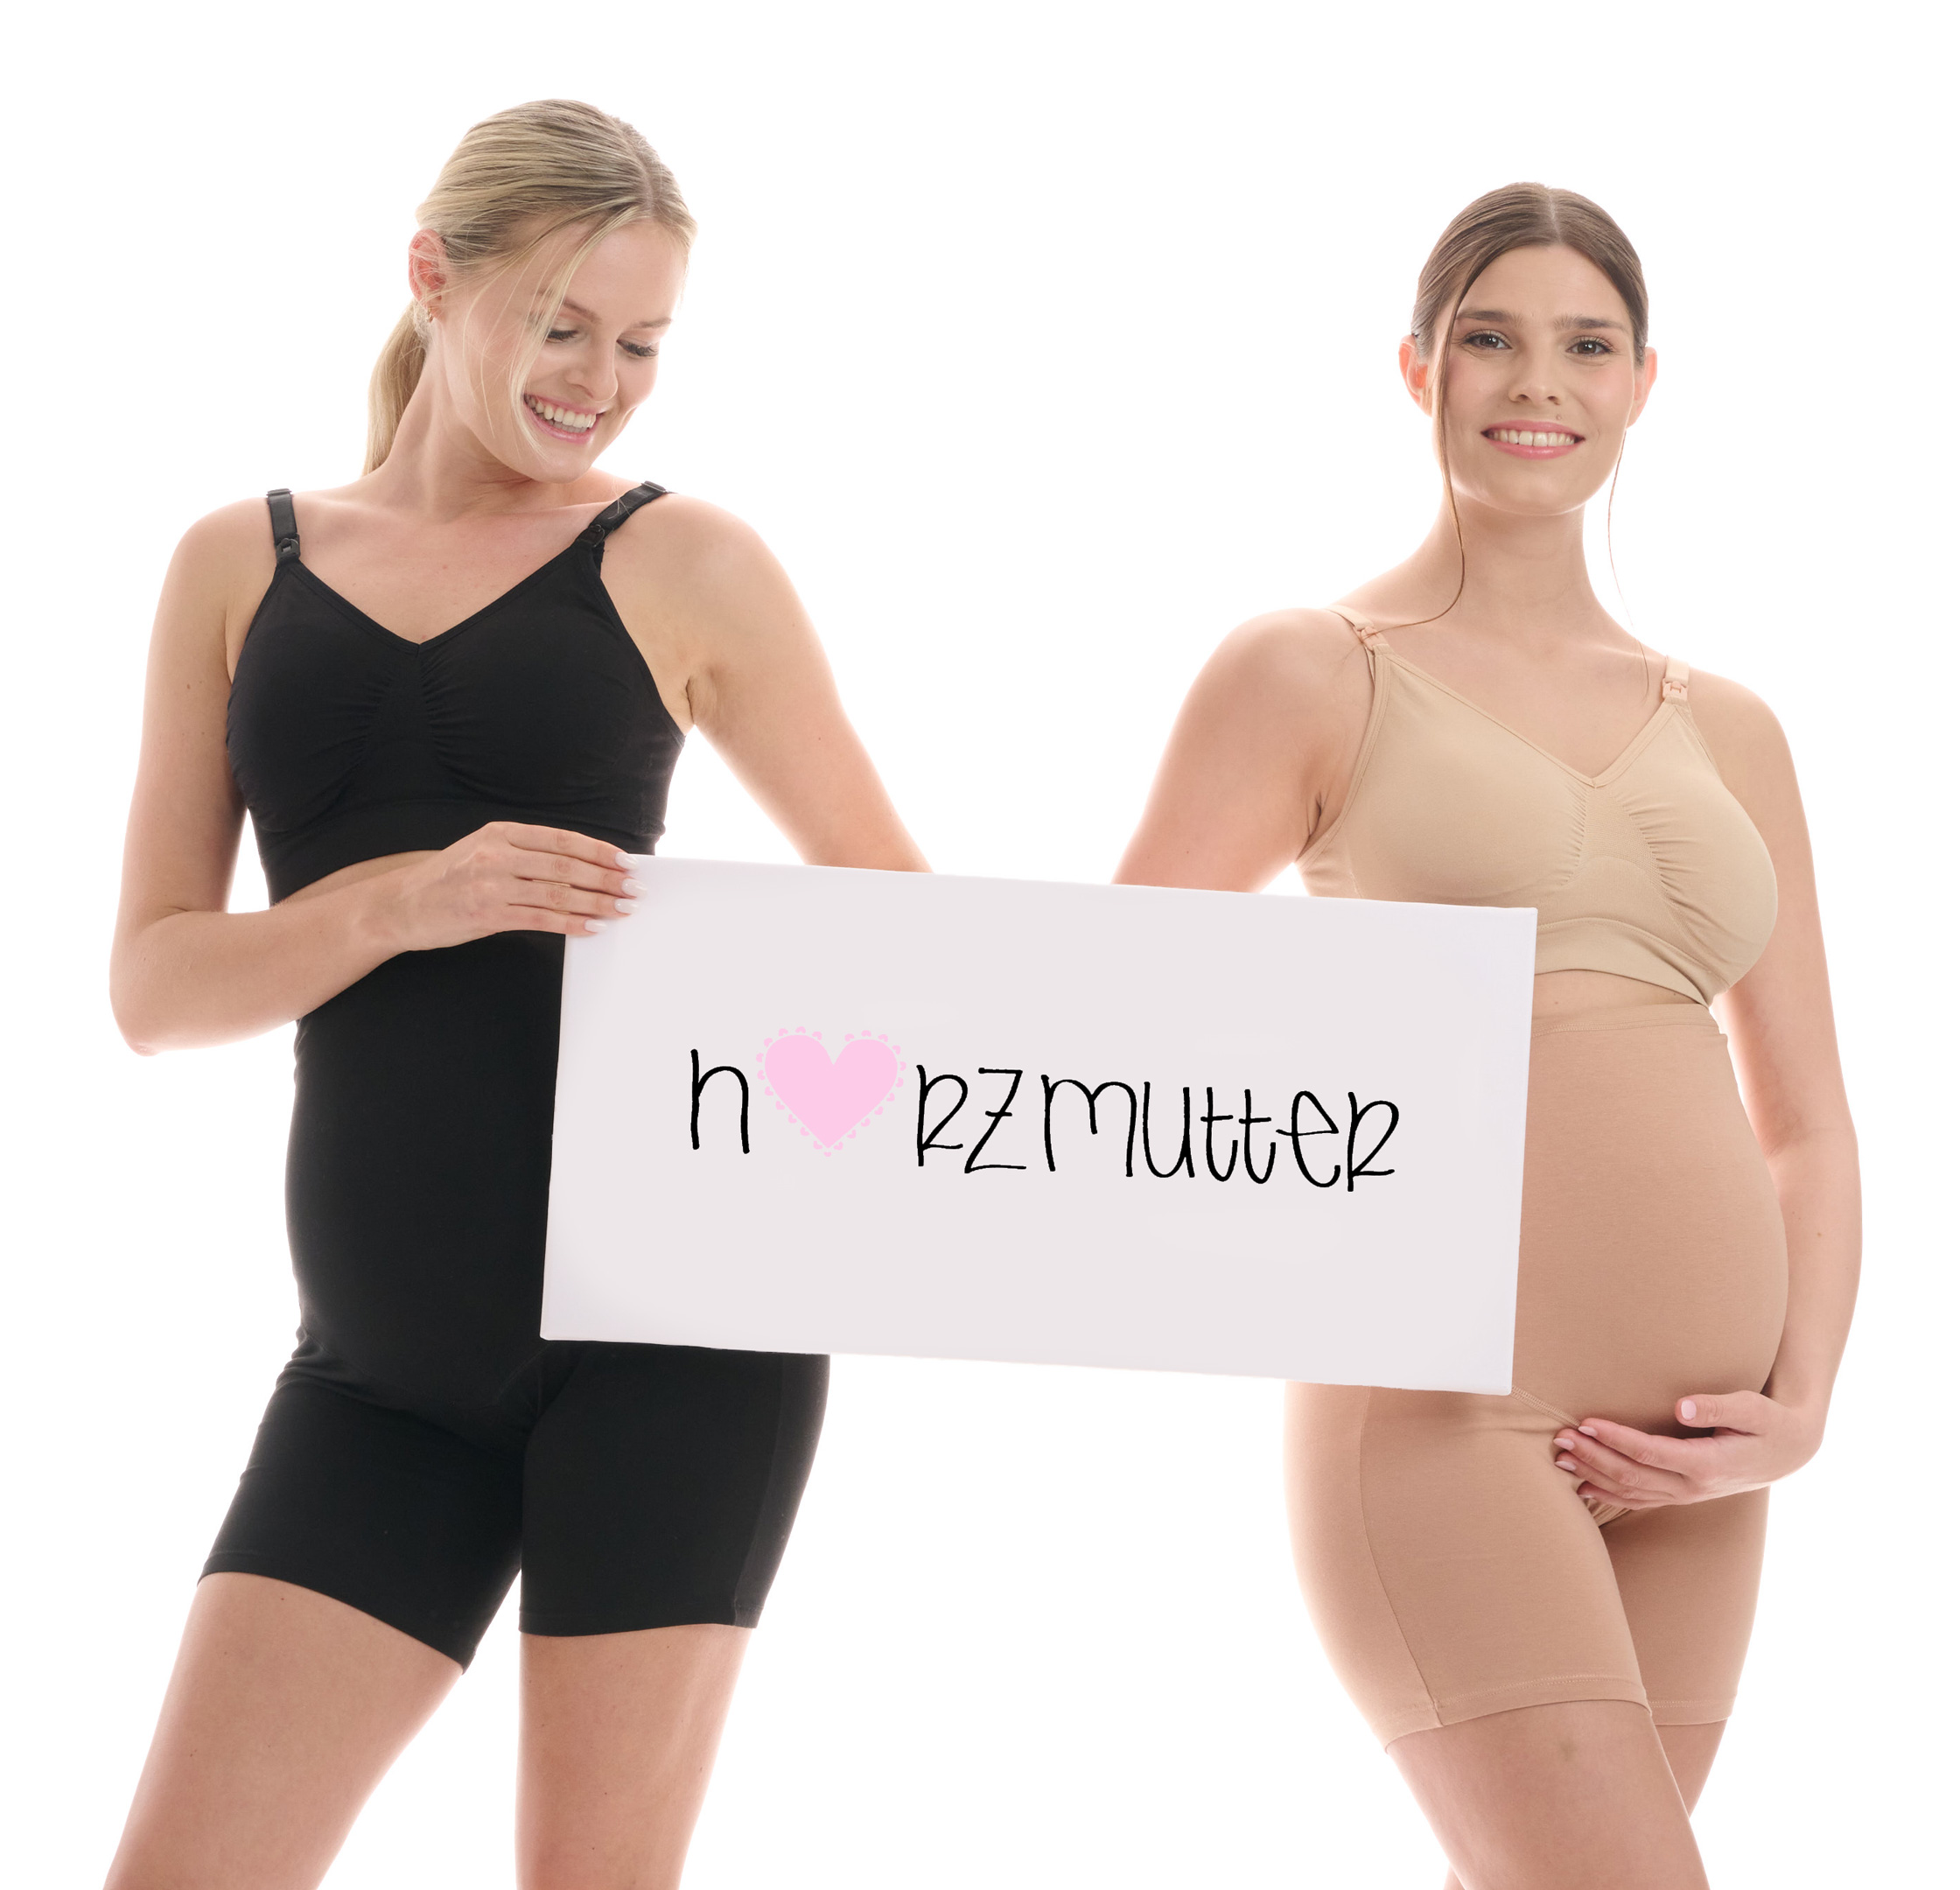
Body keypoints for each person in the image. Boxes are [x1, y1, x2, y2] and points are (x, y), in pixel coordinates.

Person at [105, 99, 924, 1889]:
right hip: (379, 1368)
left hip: (680, 1345)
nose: (600, 383)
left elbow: (898, 921)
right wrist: (409, 897)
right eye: (562, 325)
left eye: (642, 343)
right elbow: (156, 987)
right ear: (433, 275)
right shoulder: (239, 565)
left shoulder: (684, 561)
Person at [1116, 184, 1858, 1889]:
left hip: (1702, 1451)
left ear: (1642, 383)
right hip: (1445, 1414)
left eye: (1586, 345)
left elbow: (1809, 1119)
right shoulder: (1314, 669)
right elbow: (1116, 1018)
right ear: (1419, 370)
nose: (1540, 382)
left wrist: (1802, 1402)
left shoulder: (1732, 726)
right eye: (1492, 340)